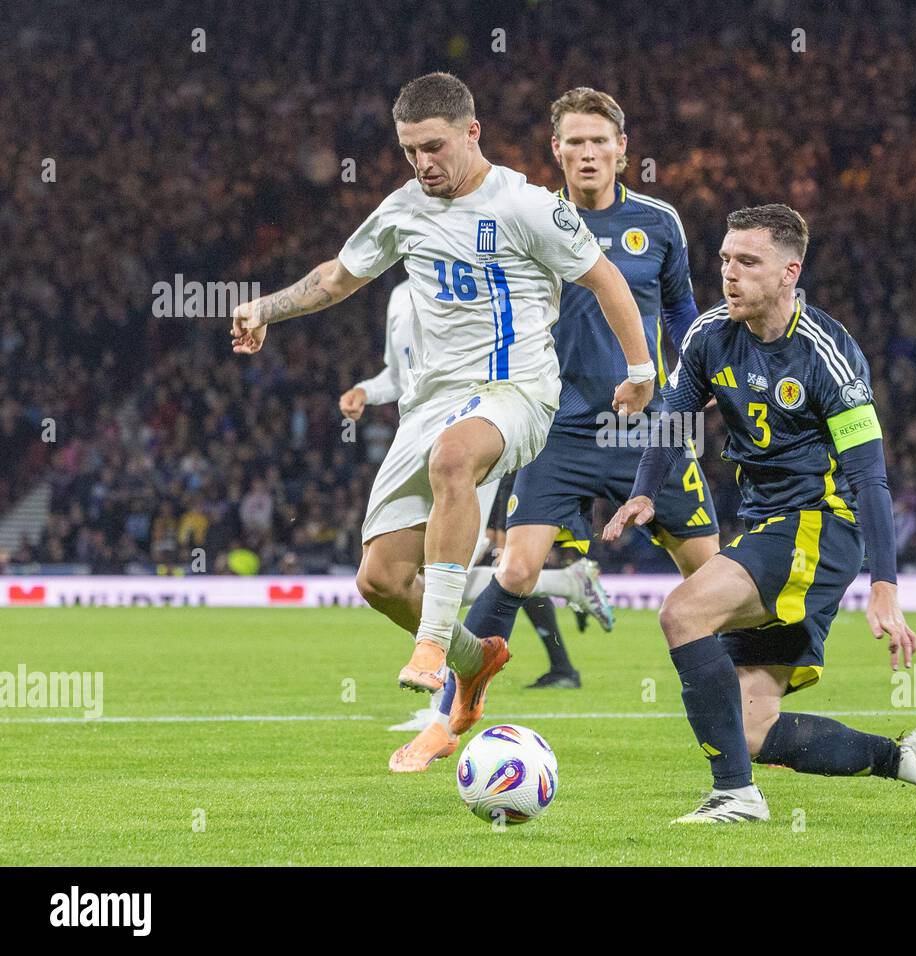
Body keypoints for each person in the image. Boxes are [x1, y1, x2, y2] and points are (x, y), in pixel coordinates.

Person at [230, 72, 655, 772]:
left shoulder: (524, 205)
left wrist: (639, 374)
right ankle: (473, 659)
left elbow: (604, 278)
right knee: (378, 580)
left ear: (471, 133)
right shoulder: (404, 208)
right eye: (409, 151)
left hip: (516, 388)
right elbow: (338, 278)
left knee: (455, 458)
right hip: (430, 402)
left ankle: (433, 648)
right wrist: (264, 309)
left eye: (433, 147)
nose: (423, 163)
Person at [604, 204, 916, 823]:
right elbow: (674, 414)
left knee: (682, 613)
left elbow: (869, 477)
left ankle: (734, 798)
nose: (729, 273)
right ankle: (908, 759)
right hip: (767, 526)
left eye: (747, 262)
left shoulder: (828, 355)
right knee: (751, 725)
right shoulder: (709, 335)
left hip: (821, 524)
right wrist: (646, 489)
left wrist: (885, 586)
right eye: (725, 259)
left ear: (790, 272)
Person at [397, 88, 723, 768]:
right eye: (573, 141)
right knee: (514, 570)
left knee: (714, 580)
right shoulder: (531, 213)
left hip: (648, 434)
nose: (587, 153)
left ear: (622, 150)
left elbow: (684, 316)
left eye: (599, 140)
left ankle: (753, 719)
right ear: (556, 151)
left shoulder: (659, 223)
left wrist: (698, 386)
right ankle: (444, 717)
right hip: (559, 431)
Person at [338, 278, 611, 733]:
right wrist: (367, 390)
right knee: (398, 578)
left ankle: (440, 704)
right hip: (418, 434)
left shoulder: (482, 281)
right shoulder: (402, 297)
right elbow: (396, 374)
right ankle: (563, 582)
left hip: (473, 429)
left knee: (444, 572)